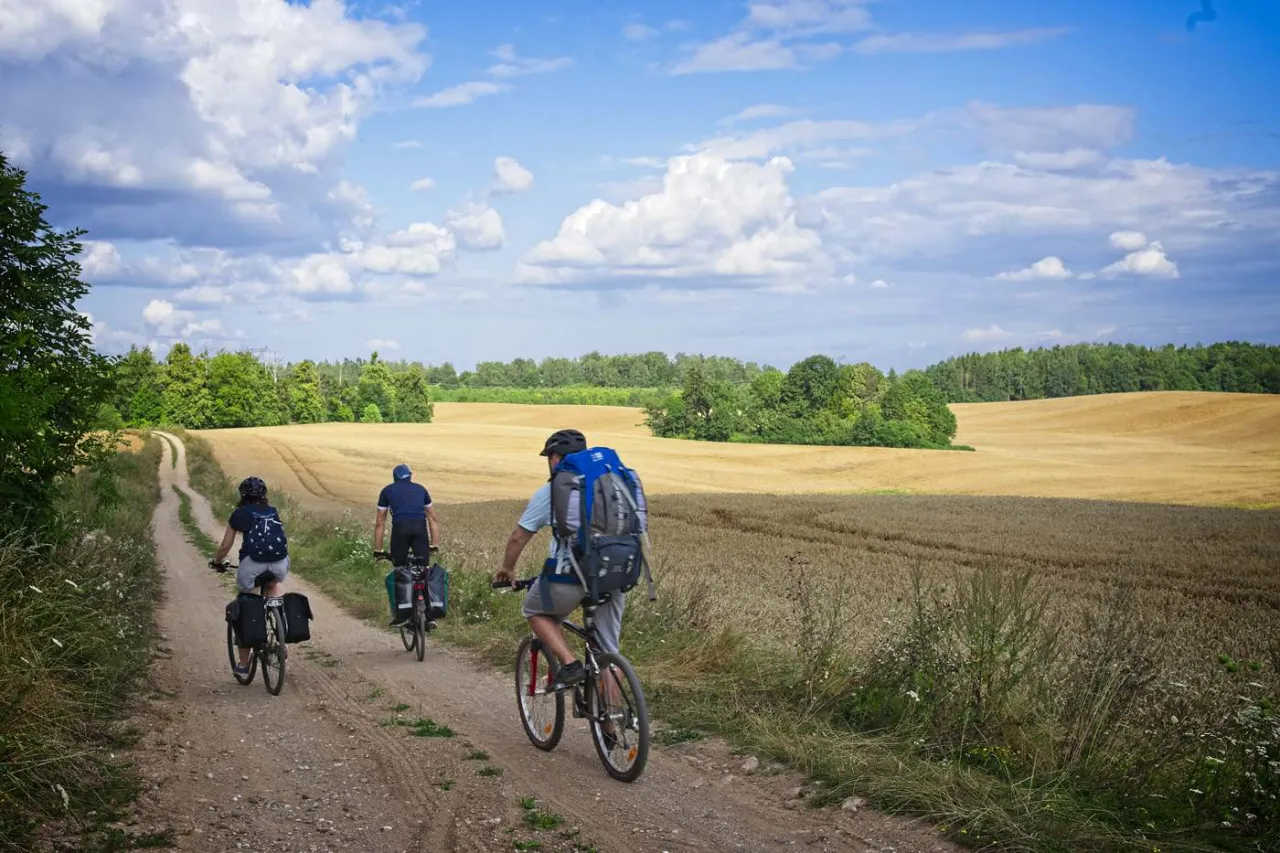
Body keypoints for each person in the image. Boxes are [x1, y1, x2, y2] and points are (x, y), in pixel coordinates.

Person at [493, 429, 627, 691]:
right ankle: (611, 725)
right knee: (610, 653)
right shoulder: (610, 483)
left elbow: (518, 537)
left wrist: (507, 568)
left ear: (554, 457)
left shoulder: (554, 489)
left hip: (573, 572)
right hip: (617, 570)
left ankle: (569, 664)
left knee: (535, 611)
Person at [211, 476, 290, 675]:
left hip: (252, 564)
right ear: (264, 495)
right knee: (272, 585)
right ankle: (281, 636)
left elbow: (225, 546)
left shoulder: (239, 514)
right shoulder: (273, 511)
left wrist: (217, 562)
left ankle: (244, 665)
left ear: (242, 495)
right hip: (280, 563)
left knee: (247, 603)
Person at [373, 463, 441, 625]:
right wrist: (434, 544)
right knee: (423, 570)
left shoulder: (387, 491)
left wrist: (378, 549)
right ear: (410, 476)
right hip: (420, 530)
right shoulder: (421, 489)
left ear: (394, 477)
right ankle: (430, 616)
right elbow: (432, 519)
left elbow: (380, 522)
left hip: (400, 531)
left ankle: (403, 613)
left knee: (400, 570)